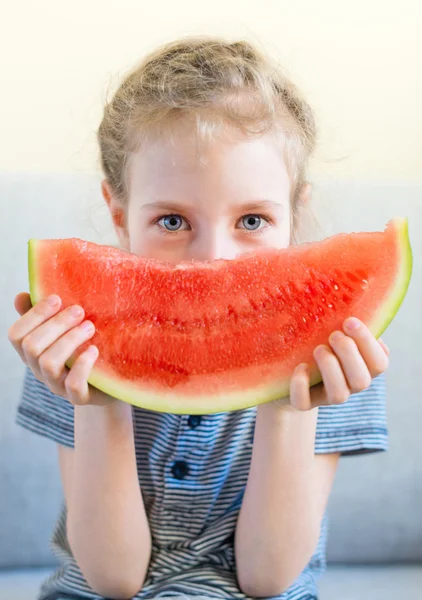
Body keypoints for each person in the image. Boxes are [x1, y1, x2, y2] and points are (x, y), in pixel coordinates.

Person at [8, 37, 389, 600]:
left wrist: (289, 405)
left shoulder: (336, 358)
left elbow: (268, 578)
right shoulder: (71, 341)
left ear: (295, 213)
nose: (215, 259)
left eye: (253, 220)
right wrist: (101, 401)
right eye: (172, 221)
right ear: (119, 214)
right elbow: (113, 579)